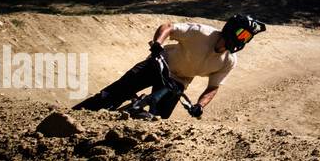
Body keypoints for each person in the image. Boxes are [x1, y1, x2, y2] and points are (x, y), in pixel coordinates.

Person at [75, 14, 265, 119]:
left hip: (177, 83)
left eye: (247, 37)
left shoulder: (228, 61)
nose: (243, 40)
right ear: (231, 28)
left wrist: (199, 105)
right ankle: (71, 116)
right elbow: (169, 27)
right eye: (242, 34)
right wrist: (157, 44)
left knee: (156, 120)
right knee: (109, 96)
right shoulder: (201, 33)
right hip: (158, 65)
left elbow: (213, 87)